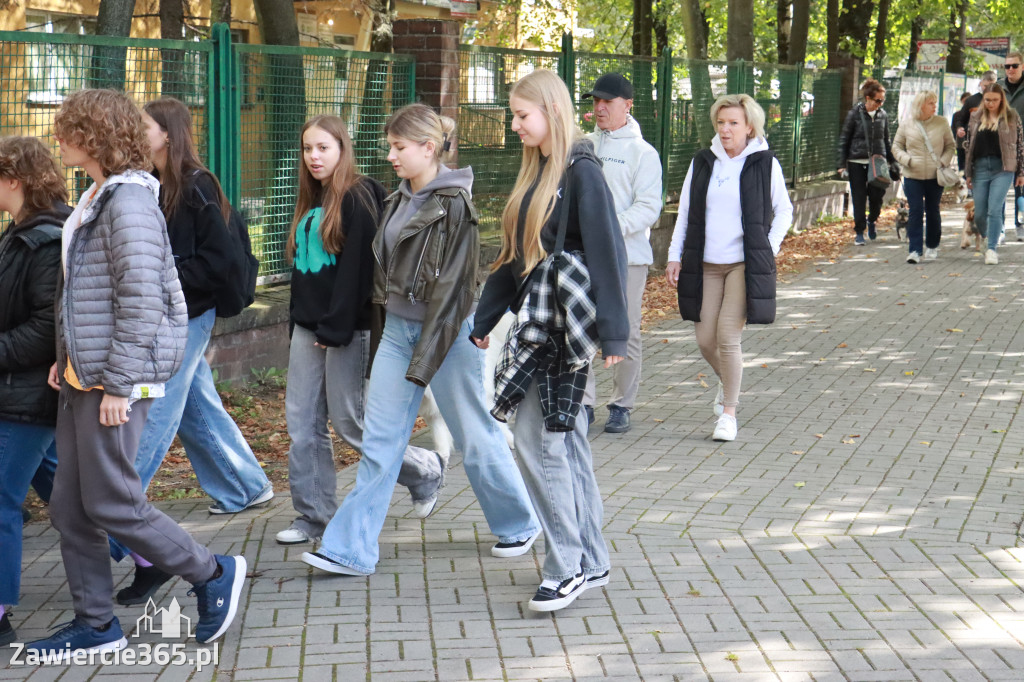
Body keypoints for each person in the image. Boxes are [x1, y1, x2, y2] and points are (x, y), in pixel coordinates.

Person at [24, 89, 245, 657]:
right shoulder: (98, 194)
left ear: (94, 136)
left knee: (113, 501)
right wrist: (65, 357)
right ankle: (96, 625)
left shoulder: (128, 201)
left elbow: (141, 298)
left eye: (68, 129)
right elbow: (84, 295)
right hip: (85, 374)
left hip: (115, 380)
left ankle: (212, 571)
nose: (59, 139)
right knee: (72, 508)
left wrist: (118, 383)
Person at [300, 103, 540, 576]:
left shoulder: (457, 207)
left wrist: (425, 357)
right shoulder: (396, 200)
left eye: (399, 146)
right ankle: (350, 550)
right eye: (390, 145)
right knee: (380, 443)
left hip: (445, 334)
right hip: (398, 332)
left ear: (428, 148)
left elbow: (453, 291)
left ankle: (519, 521)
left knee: (474, 434)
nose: (390, 155)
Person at [102, 97, 274, 607]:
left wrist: (163, 280)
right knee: (195, 404)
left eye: (146, 127)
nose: (138, 133)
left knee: (157, 412)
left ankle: (118, 515)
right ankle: (244, 487)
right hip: (172, 309)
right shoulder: (151, 185)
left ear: (169, 134)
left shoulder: (197, 186)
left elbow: (218, 262)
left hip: (190, 312)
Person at [472, 69, 629, 612]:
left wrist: (615, 331)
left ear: (552, 112)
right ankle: (592, 556)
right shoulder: (538, 172)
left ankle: (567, 568)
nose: (514, 125)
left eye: (522, 115)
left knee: (541, 444)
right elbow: (515, 258)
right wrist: (484, 317)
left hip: (562, 331)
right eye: (514, 115)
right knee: (567, 442)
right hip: (541, 327)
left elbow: (608, 250)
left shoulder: (581, 171)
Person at [277, 114, 445, 547]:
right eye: (308, 149)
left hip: (347, 328)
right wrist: (300, 318)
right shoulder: (310, 198)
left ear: (341, 150)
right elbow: (304, 273)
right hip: (308, 327)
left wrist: (336, 328)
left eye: (323, 148)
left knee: (349, 421)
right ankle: (314, 516)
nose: (314, 157)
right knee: (302, 423)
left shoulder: (356, 197)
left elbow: (358, 273)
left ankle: (423, 469)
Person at [665, 94, 793, 443]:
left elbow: (784, 210)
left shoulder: (765, 164)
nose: (725, 129)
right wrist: (674, 256)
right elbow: (687, 213)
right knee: (705, 339)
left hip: (742, 264)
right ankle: (729, 383)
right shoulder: (704, 162)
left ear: (749, 126)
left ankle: (729, 414)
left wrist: (769, 247)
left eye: (733, 123)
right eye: (721, 123)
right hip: (705, 263)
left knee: (726, 335)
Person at [0, 136, 70, 645]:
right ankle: (147, 554)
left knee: (1, 497)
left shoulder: (44, 239)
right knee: (69, 498)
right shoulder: (18, 233)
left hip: (29, 395)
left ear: (14, 179)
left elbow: (47, 329)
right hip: (17, 390)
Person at [580, 73, 663, 434]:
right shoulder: (583, 144)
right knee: (581, 326)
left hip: (627, 256)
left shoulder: (642, 153)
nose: (599, 107)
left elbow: (649, 208)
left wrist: (610, 228)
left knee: (625, 330)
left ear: (627, 105)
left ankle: (621, 404)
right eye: (595, 101)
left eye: (607, 102)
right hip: (582, 253)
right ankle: (582, 402)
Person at [892, 91, 956, 263]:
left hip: (936, 175)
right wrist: (906, 159)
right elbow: (896, 146)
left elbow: (951, 146)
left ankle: (933, 245)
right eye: (931, 103)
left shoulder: (941, 122)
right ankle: (914, 250)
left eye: (935, 103)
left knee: (932, 210)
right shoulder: (907, 124)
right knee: (915, 211)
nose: (934, 106)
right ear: (921, 105)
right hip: (913, 174)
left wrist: (943, 161)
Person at [964, 83, 1024, 265]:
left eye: (995, 100)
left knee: (995, 209)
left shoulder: (1011, 116)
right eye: (987, 100)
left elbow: (1020, 144)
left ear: (1001, 100)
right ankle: (985, 236)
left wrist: (1021, 171)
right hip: (980, 168)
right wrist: (967, 173)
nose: (991, 104)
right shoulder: (975, 116)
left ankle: (992, 248)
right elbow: (968, 145)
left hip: (1003, 168)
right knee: (980, 213)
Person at [837, 78, 897, 245]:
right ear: (868, 98)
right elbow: (844, 139)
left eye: (882, 100)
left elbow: (886, 140)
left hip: (877, 162)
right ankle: (859, 231)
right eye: (878, 100)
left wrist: (892, 162)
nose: (880, 104)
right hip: (856, 161)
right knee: (858, 197)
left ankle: (872, 220)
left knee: (877, 196)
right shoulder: (854, 114)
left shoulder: (883, 115)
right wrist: (841, 165)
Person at [997, 52, 1024, 239]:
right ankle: (999, 227)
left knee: (1020, 189)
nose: (1011, 70)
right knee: (999, 188)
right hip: (1000, 146)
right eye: (1007, 66)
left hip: (1022, 146)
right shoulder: (997, 87)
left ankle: (1020, 224)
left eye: (1014, 66)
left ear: (1022, 66)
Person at [951, 92, 970, 173]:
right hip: (961, 144)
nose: (966, 103)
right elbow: (953, 129)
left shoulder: (976, 114)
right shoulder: (957, 114)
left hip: (973, 146)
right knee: (961, 167)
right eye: (964, 101)